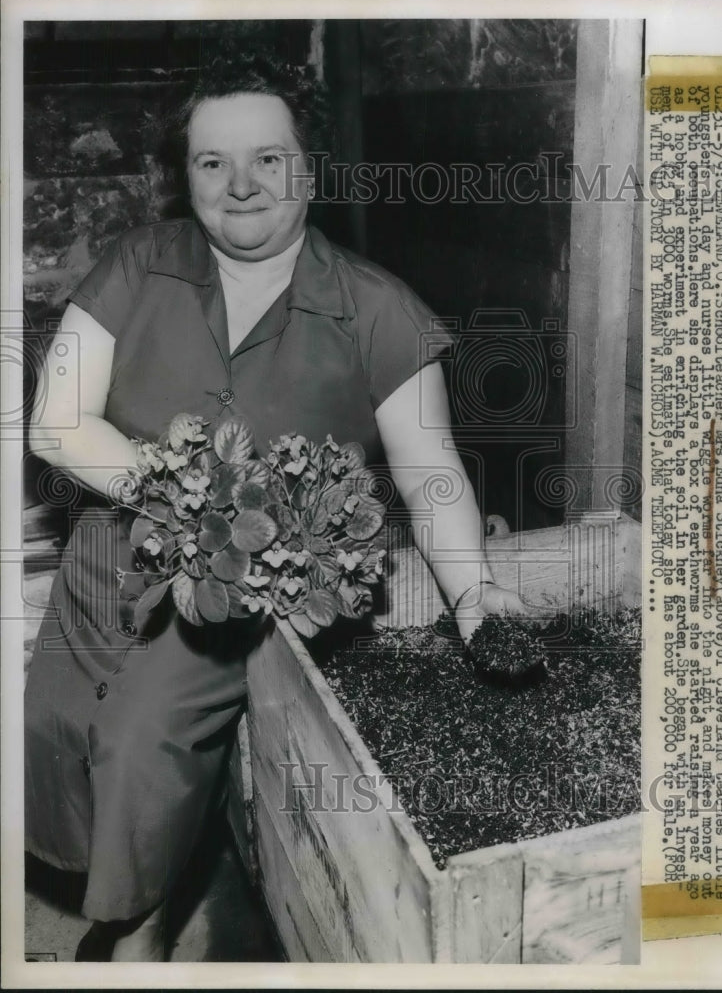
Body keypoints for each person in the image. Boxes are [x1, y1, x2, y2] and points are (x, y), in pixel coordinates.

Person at [24, 59, 527, 962]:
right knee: (59, 732)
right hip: (110, 552)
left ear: (311, 169)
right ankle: (132, 885)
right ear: (186, 176)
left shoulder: (377, 309)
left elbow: (430, 469)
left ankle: (129, 931)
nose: (241, 185)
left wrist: (479, 603)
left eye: (268, 158)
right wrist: (187, 491)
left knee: (146, 746)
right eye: (212, 164)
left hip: (243, 593)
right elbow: (56, 426)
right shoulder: (137, 262)